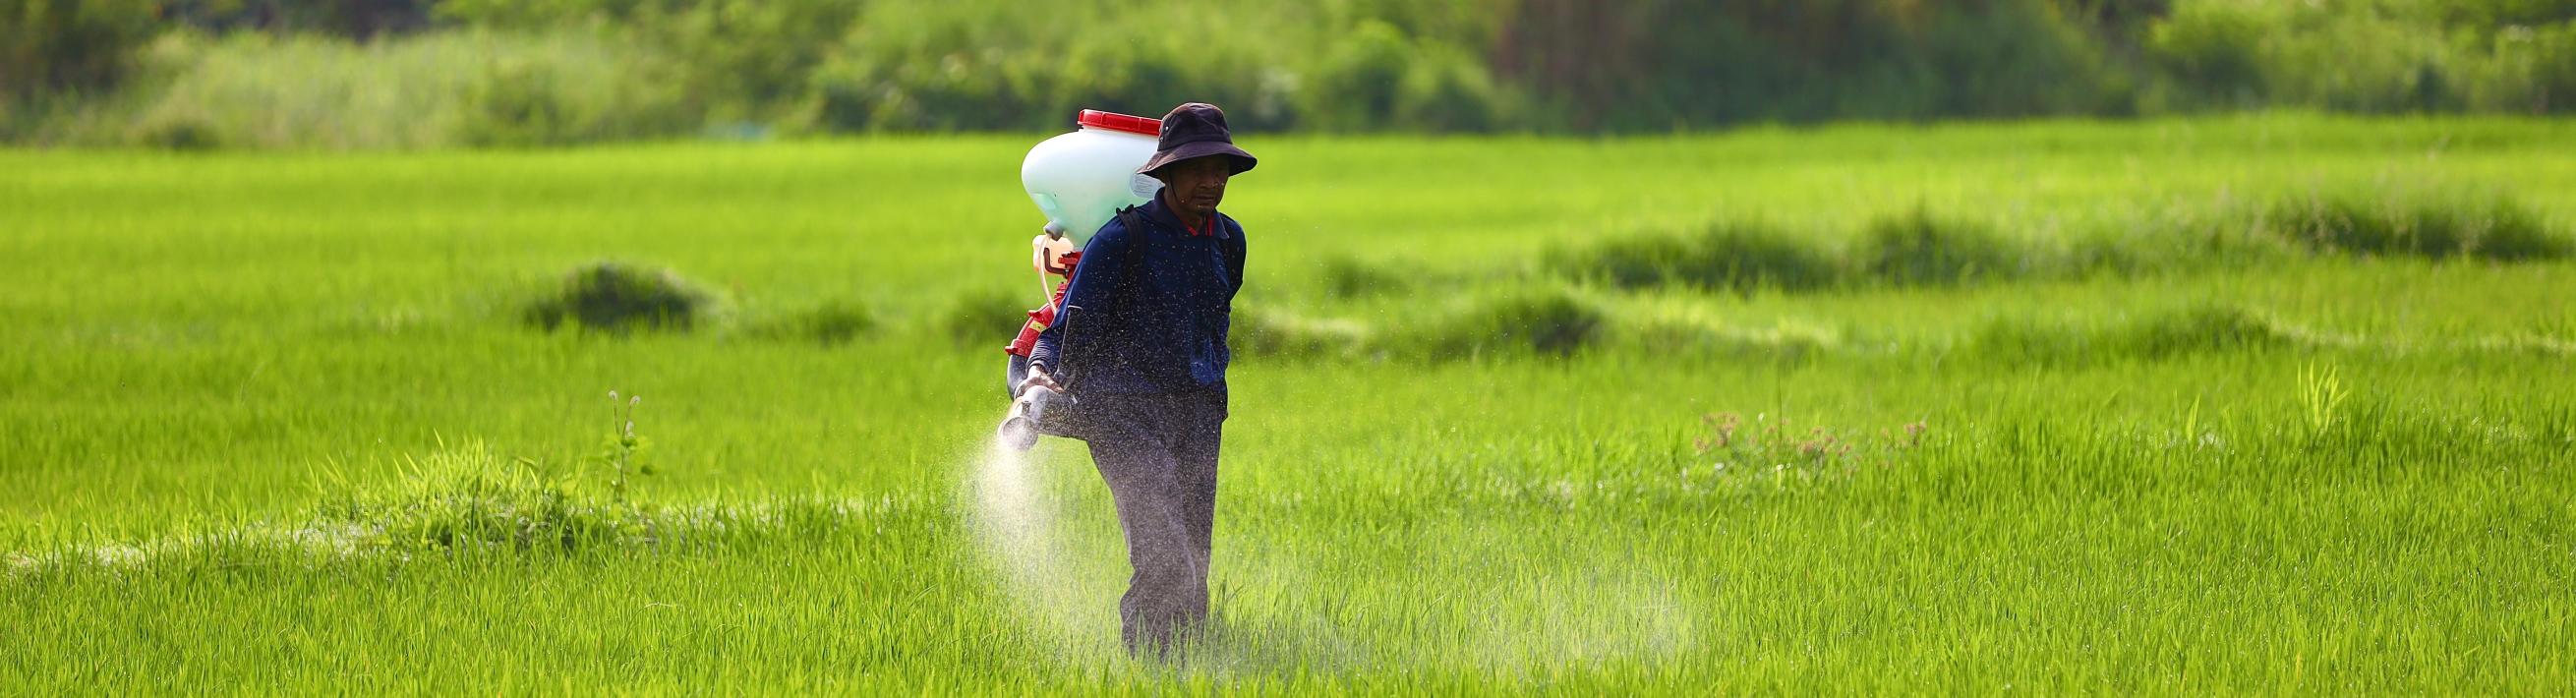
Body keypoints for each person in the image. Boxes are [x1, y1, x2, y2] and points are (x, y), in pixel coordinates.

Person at [1022, 102, 1254, 654]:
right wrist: (1039, 373)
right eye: (1196, 168)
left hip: (1199, 410)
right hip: (1123, 414)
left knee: (1195, 555)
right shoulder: (1124, 238)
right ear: (1166, 173)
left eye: (1219, 168)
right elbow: (1066, 323)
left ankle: (1192, 663)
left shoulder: (1229, 239)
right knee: (1164, 555)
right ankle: (1147, 667)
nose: (1211, 180)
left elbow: (1213, 319)